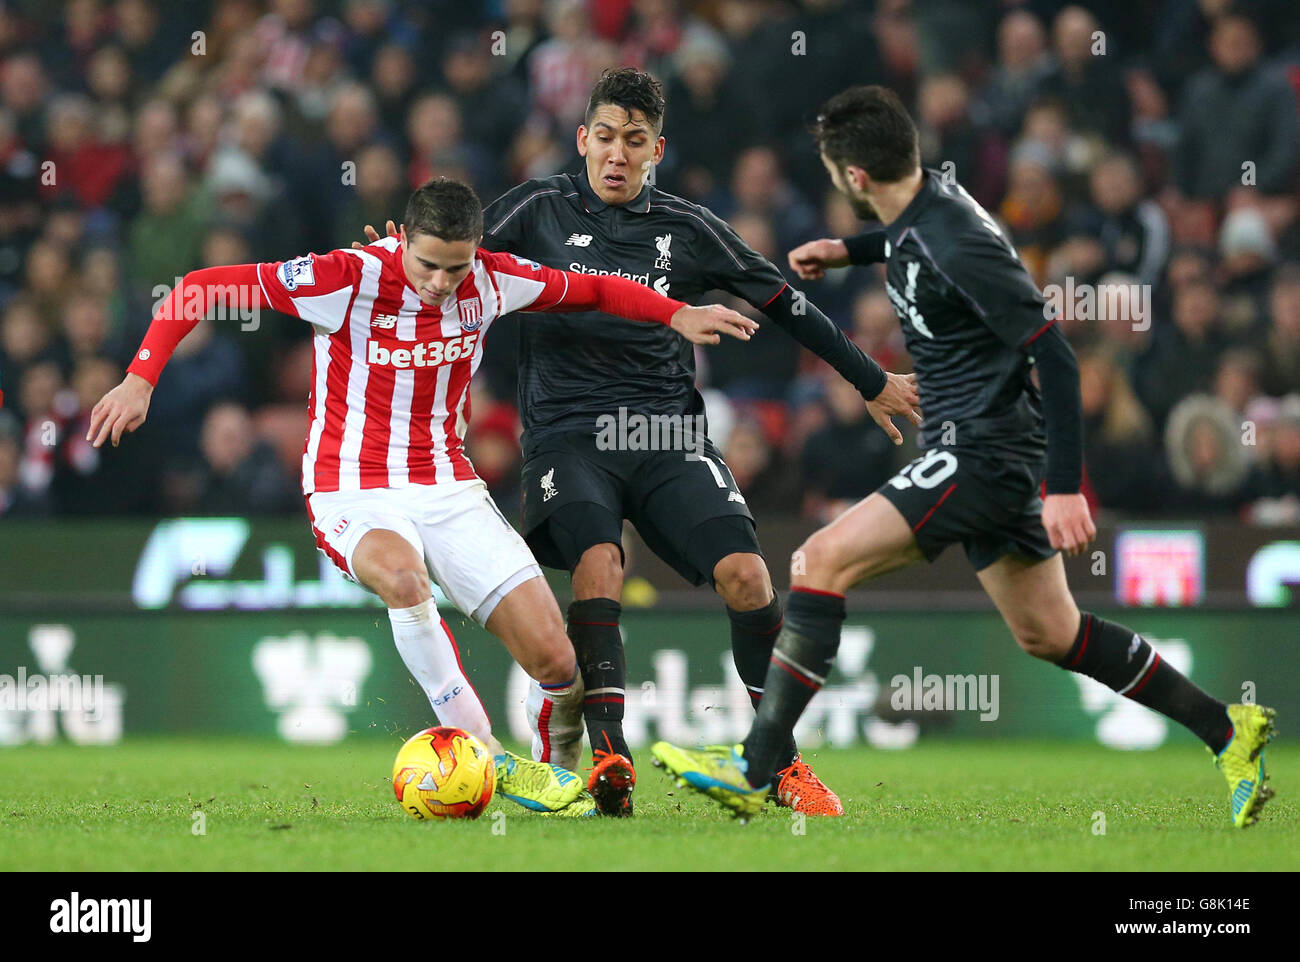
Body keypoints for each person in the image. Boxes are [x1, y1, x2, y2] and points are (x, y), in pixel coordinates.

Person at [651, 86, 1276, 830]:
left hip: (978, 450)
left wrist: (1066, 486)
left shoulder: (958, 241)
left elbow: (1057, 354)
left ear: (854, 178)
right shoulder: (927, 202)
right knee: (1051, 632)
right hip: (986, 450)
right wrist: (846, 251)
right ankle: (1229, 732)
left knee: (819, 563)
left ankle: (757, 766)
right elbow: (908, 238)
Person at [86, 177, 757, 818]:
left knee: (559, 665)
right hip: (351, 486)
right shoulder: (344, 278)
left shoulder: (493, 280)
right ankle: (484, 752)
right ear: (401, 241)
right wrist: (140, 379)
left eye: (454, 269)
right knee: (404, 579)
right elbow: (202, 288)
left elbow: (595, 291)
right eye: (427, 265)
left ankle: (554, 768)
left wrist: (677, 312)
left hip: (447, 485)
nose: (440, 284)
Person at [362, 68, 919, 817]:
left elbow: (782, 301)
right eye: (604, 137)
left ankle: (778, 764)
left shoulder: (688, 228)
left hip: (667, 435)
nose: (617, 154)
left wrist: (867, 377)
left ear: (657, 148)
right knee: (599, 564)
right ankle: (608, 756)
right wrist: (394, 263)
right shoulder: (538, 208)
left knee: (749, 580)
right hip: (566, 436)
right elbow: (450, 258)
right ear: (582, 139)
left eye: (635, 141)